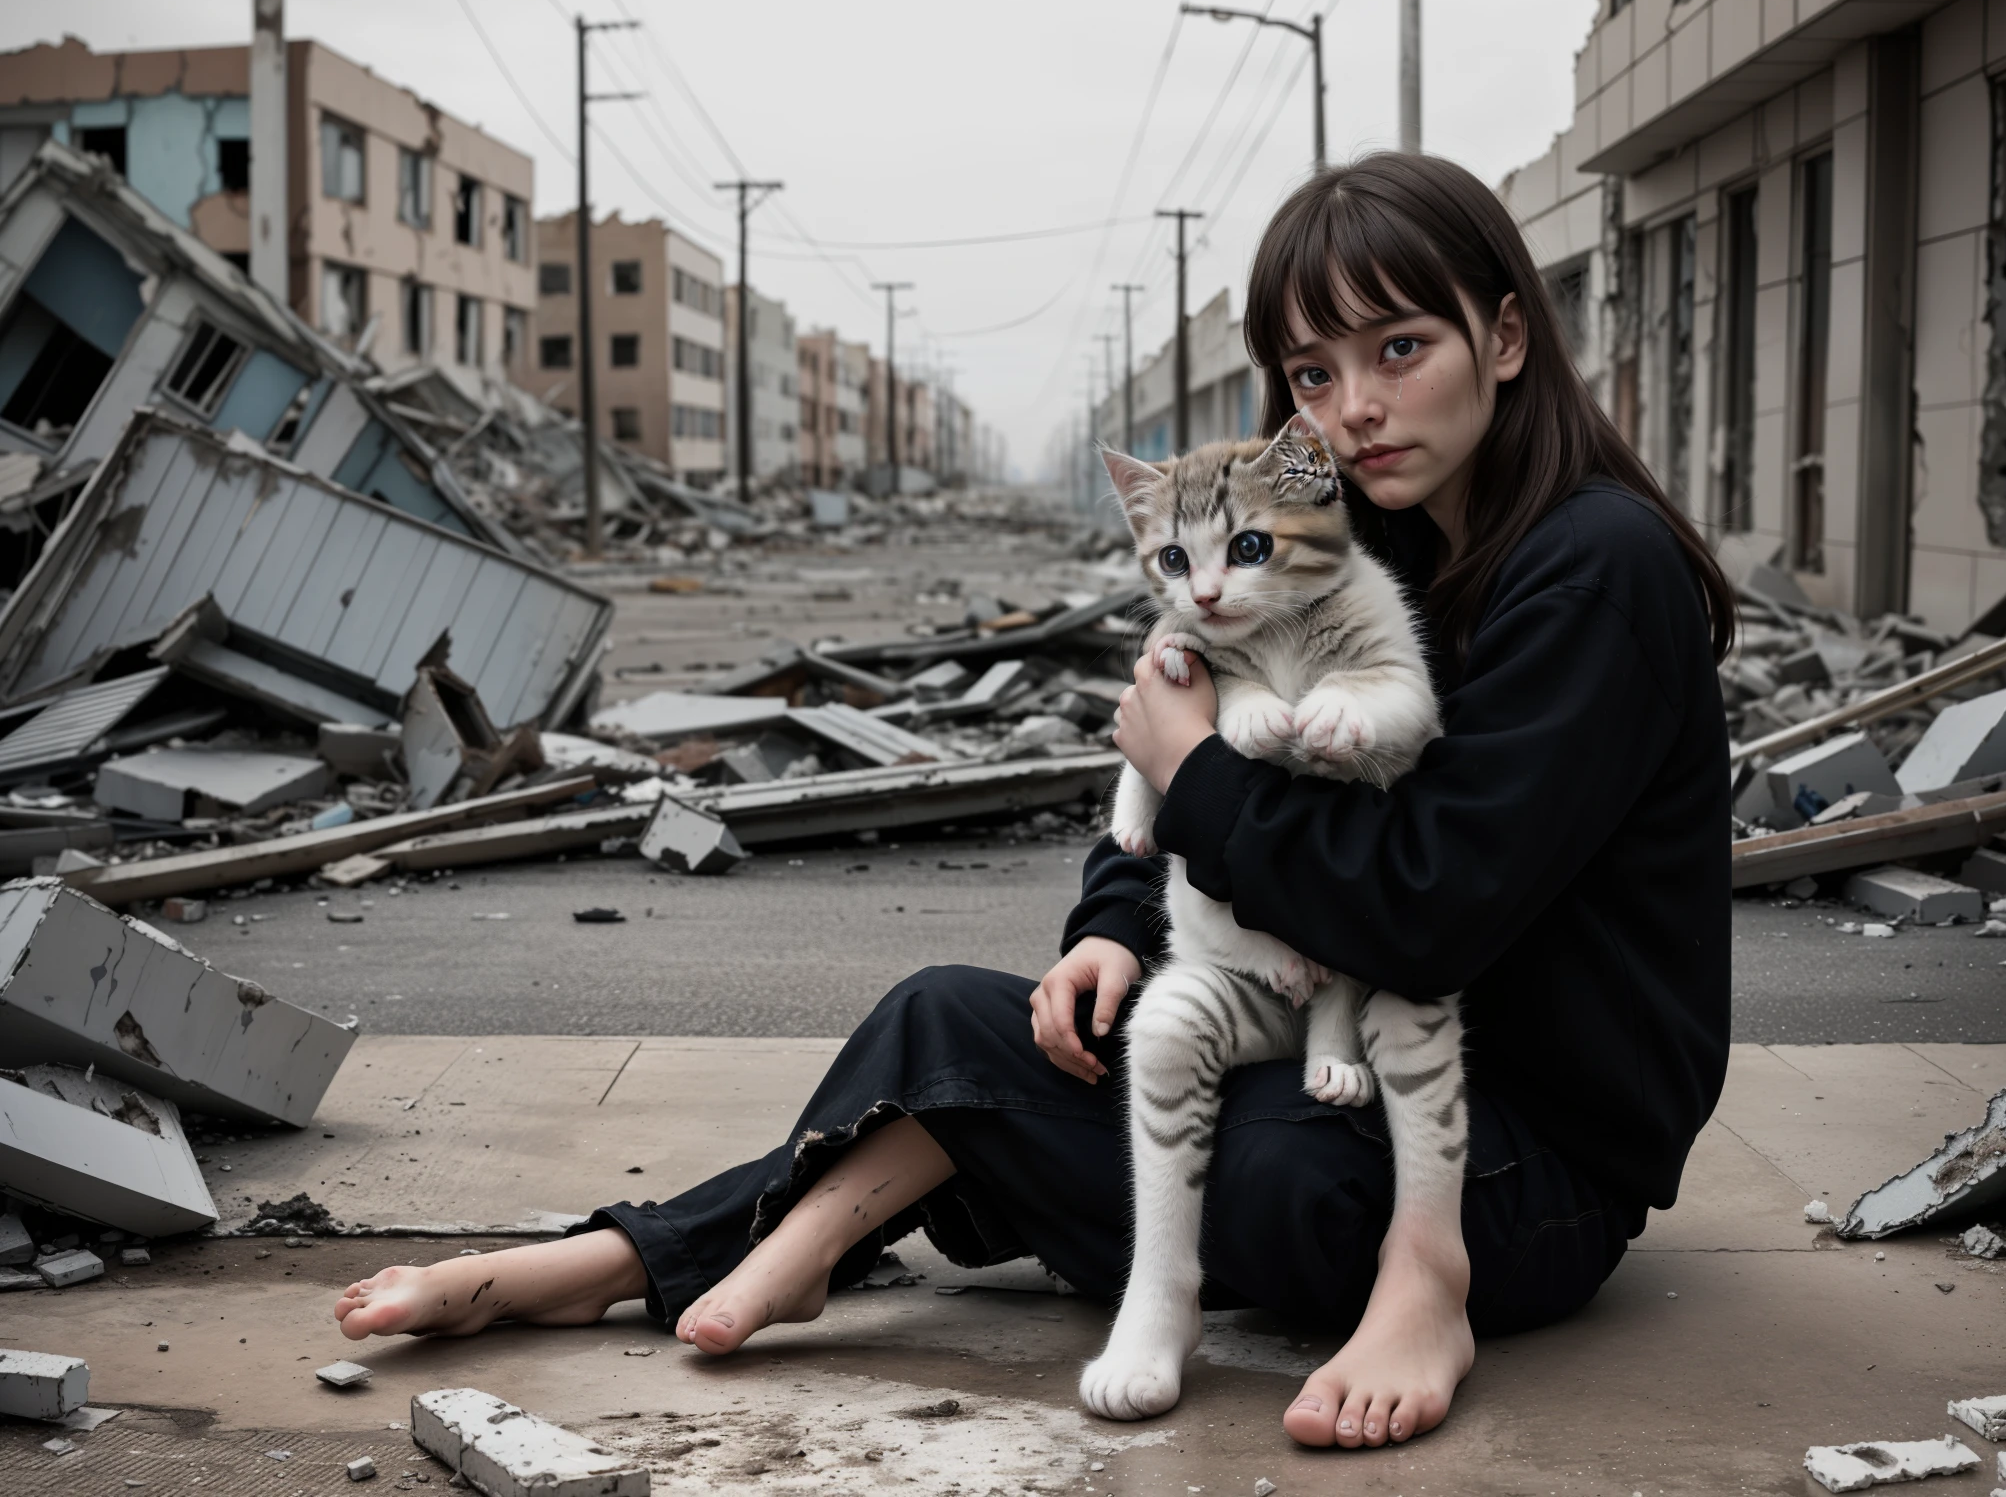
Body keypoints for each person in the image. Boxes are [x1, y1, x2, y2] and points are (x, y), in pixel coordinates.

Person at [331, 153, 1733, 1453]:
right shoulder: (1333, 540)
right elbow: (1160, 767)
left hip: (1524, 1156)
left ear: (1503, 338)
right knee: (957, 1017)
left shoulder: (1596, 566)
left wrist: (1194, 768)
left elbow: (1429, 903)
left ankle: (716, 1245)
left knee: (1272, 1179)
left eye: (1398, 350)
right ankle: (640, 1256)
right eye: (1312, 373)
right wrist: (1116, 926)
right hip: (1316, 1048)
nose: (1353, 407)